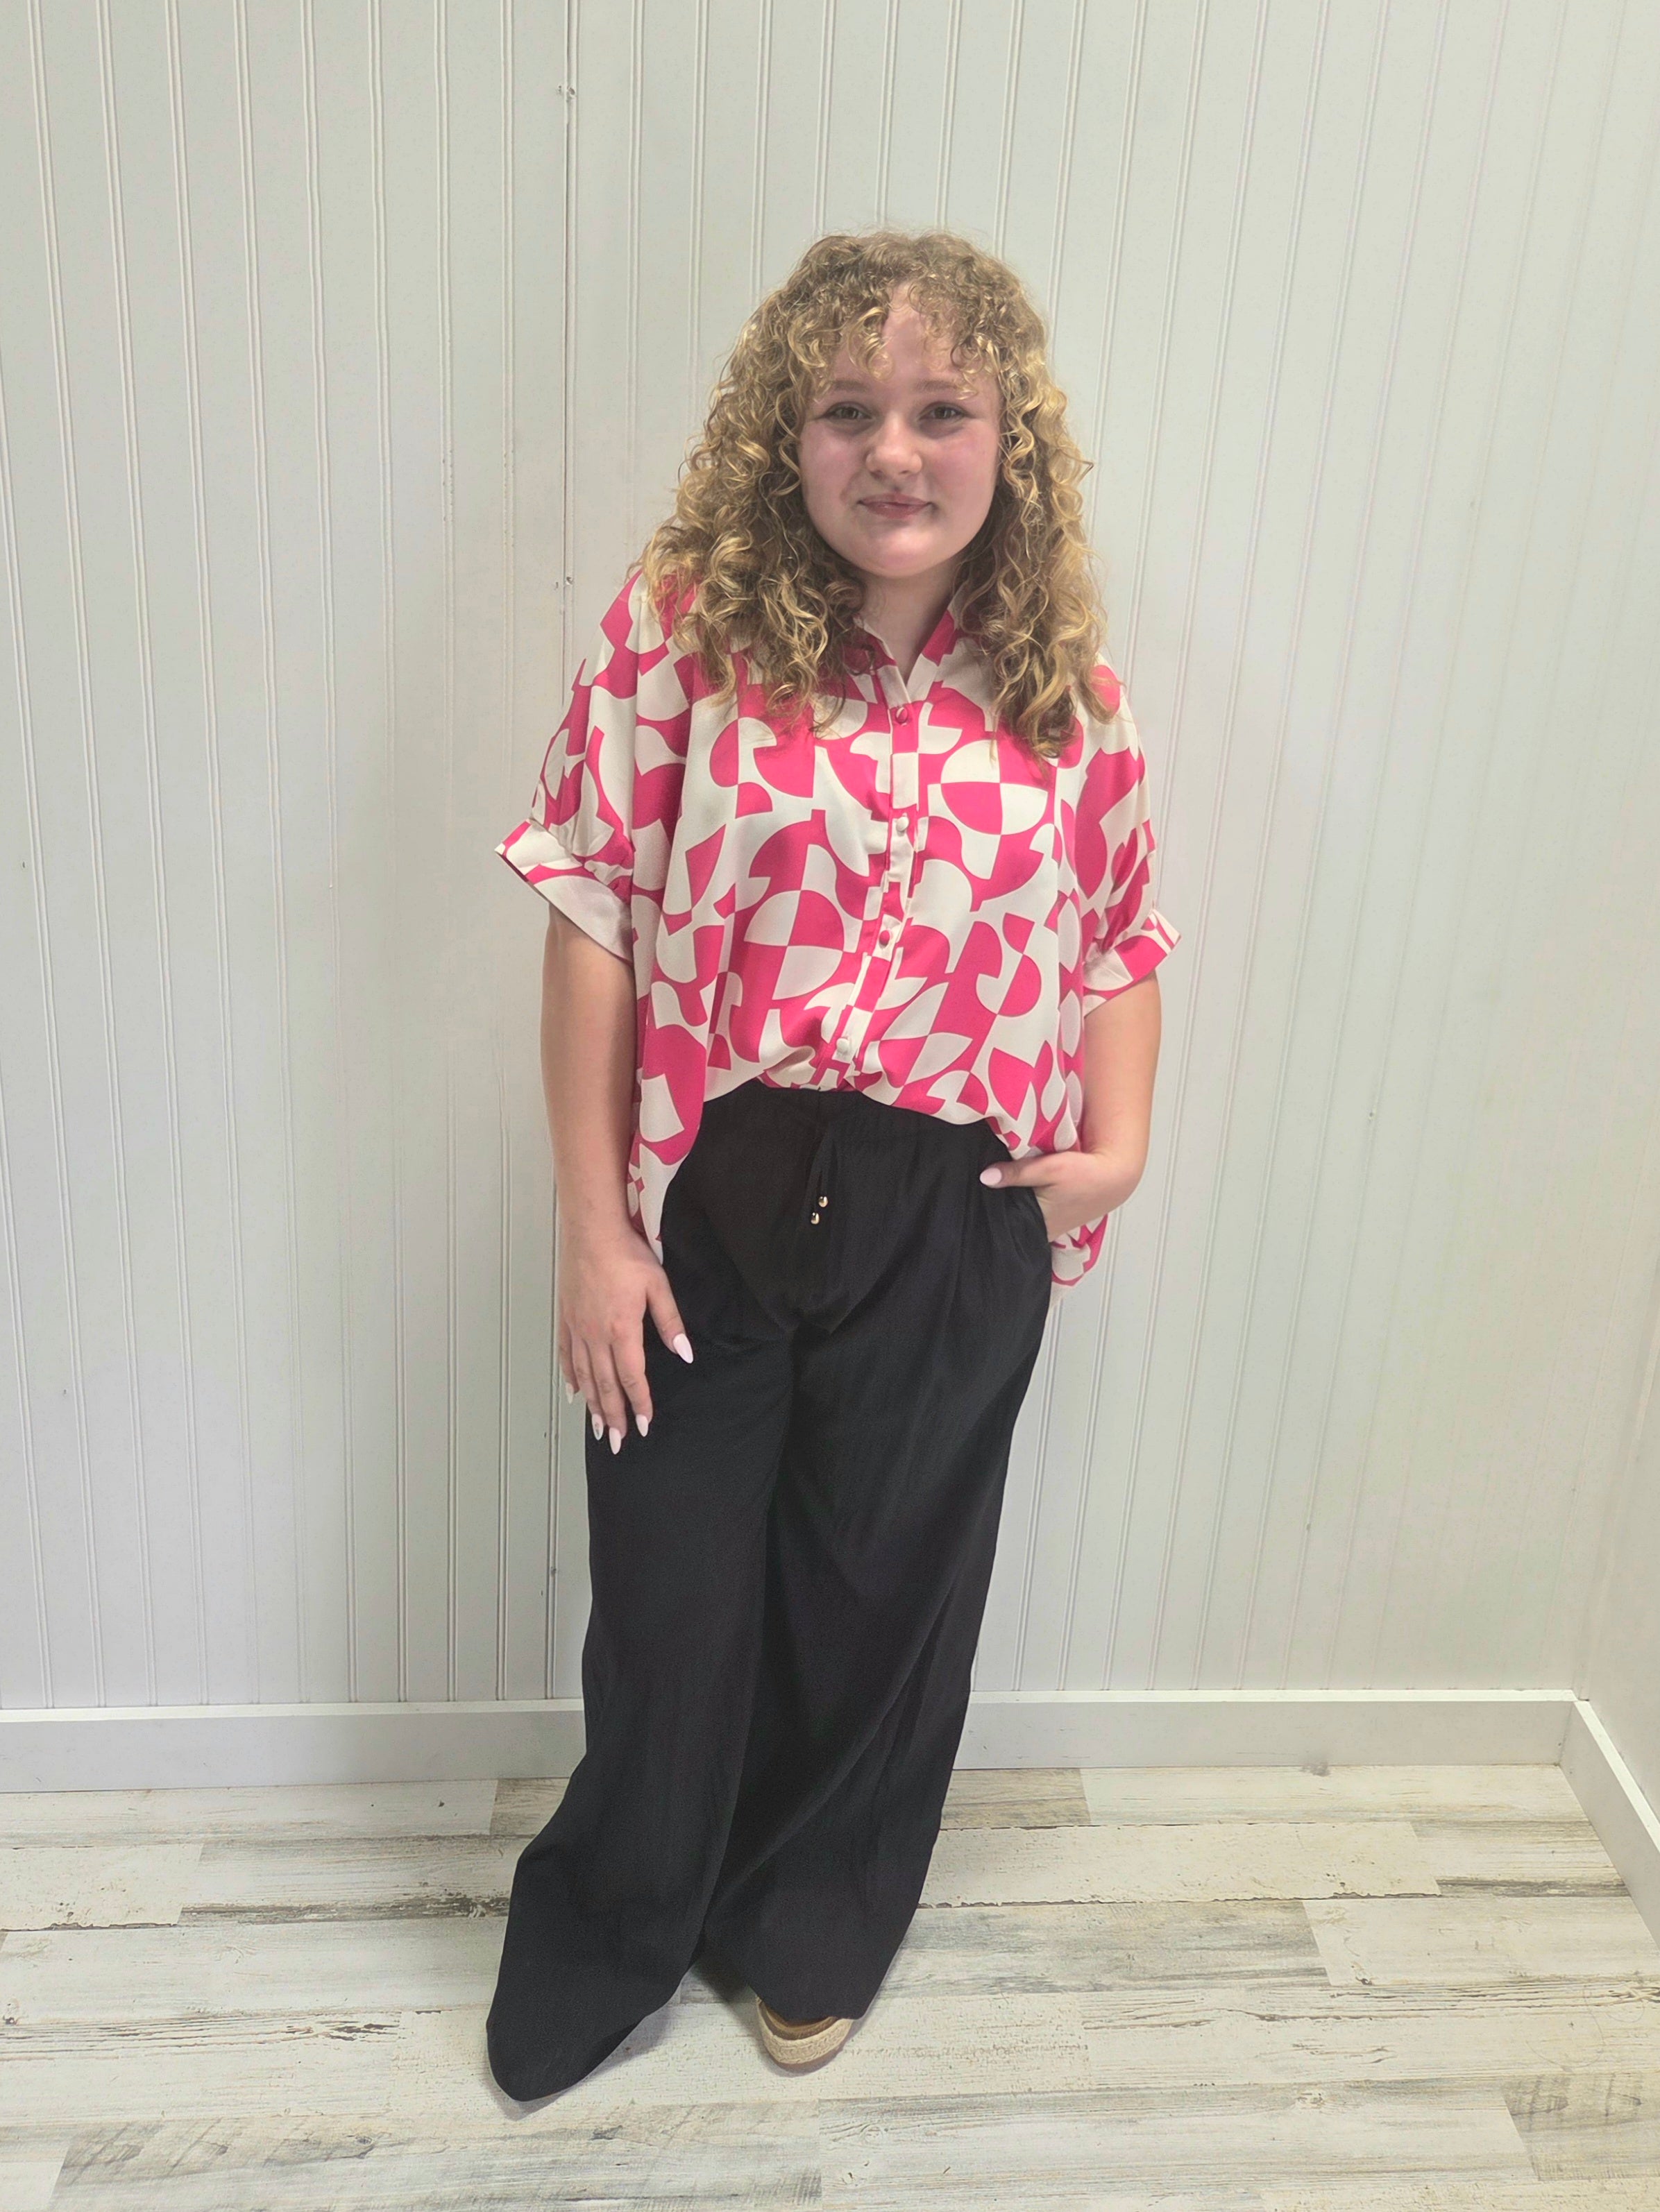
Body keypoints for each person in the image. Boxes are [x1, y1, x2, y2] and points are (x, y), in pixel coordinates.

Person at [486, 227, 1178, 2103]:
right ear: (781, 436)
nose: (894, 450)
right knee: (671, 1591)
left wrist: (1118, 1148)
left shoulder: (1065, 687)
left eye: (942, 409)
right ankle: (618, 1918)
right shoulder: (685, 628)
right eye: (847, 408)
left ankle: (813, 1916)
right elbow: (592, 906)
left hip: (956, 1205)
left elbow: (1120, 933)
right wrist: (592, 1228)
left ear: (1007, 438)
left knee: (882, 1594)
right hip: (716, 1181)